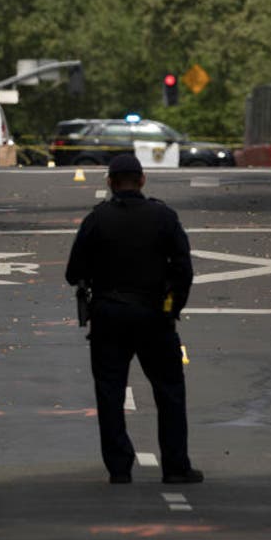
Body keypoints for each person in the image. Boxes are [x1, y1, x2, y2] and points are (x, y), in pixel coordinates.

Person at [66, 153, 201, 485]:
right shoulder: (164, 217)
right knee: (169, 390)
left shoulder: (97, 220)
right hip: (155, 314)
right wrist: (172, 308)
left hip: (110, 313)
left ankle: (119, 467)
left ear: (111, 184)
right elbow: (184, 270)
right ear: (142, 180)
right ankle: (175, 465)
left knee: (110, 392)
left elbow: (74, 273)